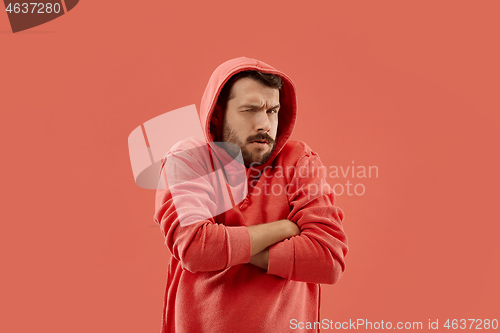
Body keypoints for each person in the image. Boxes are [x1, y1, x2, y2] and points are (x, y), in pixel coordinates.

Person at [154, 56, 348, 333]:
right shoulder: (188, 158)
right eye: (250, 110)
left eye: (272, 111)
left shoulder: (300, 161)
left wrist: (225, 246)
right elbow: (195, 249)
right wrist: (285, 227)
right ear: (218, 114)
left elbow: (328, 259)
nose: (265, 125)